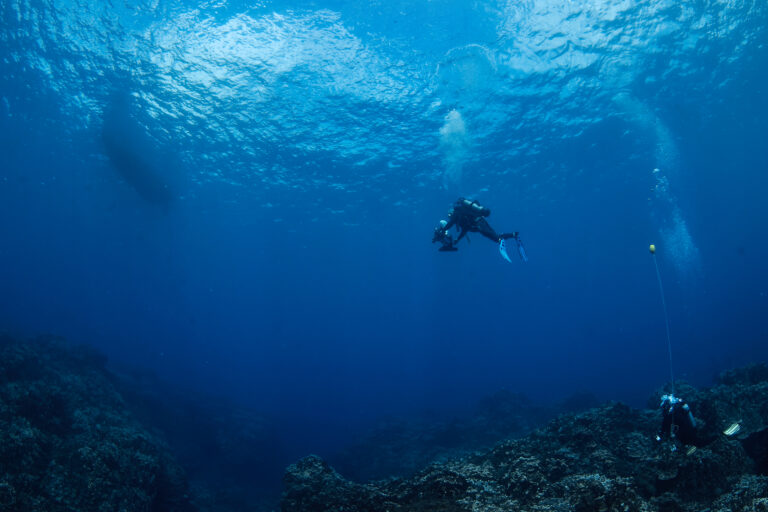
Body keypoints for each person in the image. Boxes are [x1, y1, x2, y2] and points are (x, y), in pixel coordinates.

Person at [435, 198, 519, 247]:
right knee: (495, 237)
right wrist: (458, 239)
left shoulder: (457, 214)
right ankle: (512, 235)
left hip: (479, 224)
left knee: (493, 236)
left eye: (450, 216)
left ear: (452, 213)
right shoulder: (460, 219)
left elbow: (451, 223)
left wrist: (443, 230)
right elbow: (465, 229)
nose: (450, 218)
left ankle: (500, 239)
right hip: (480, 222)